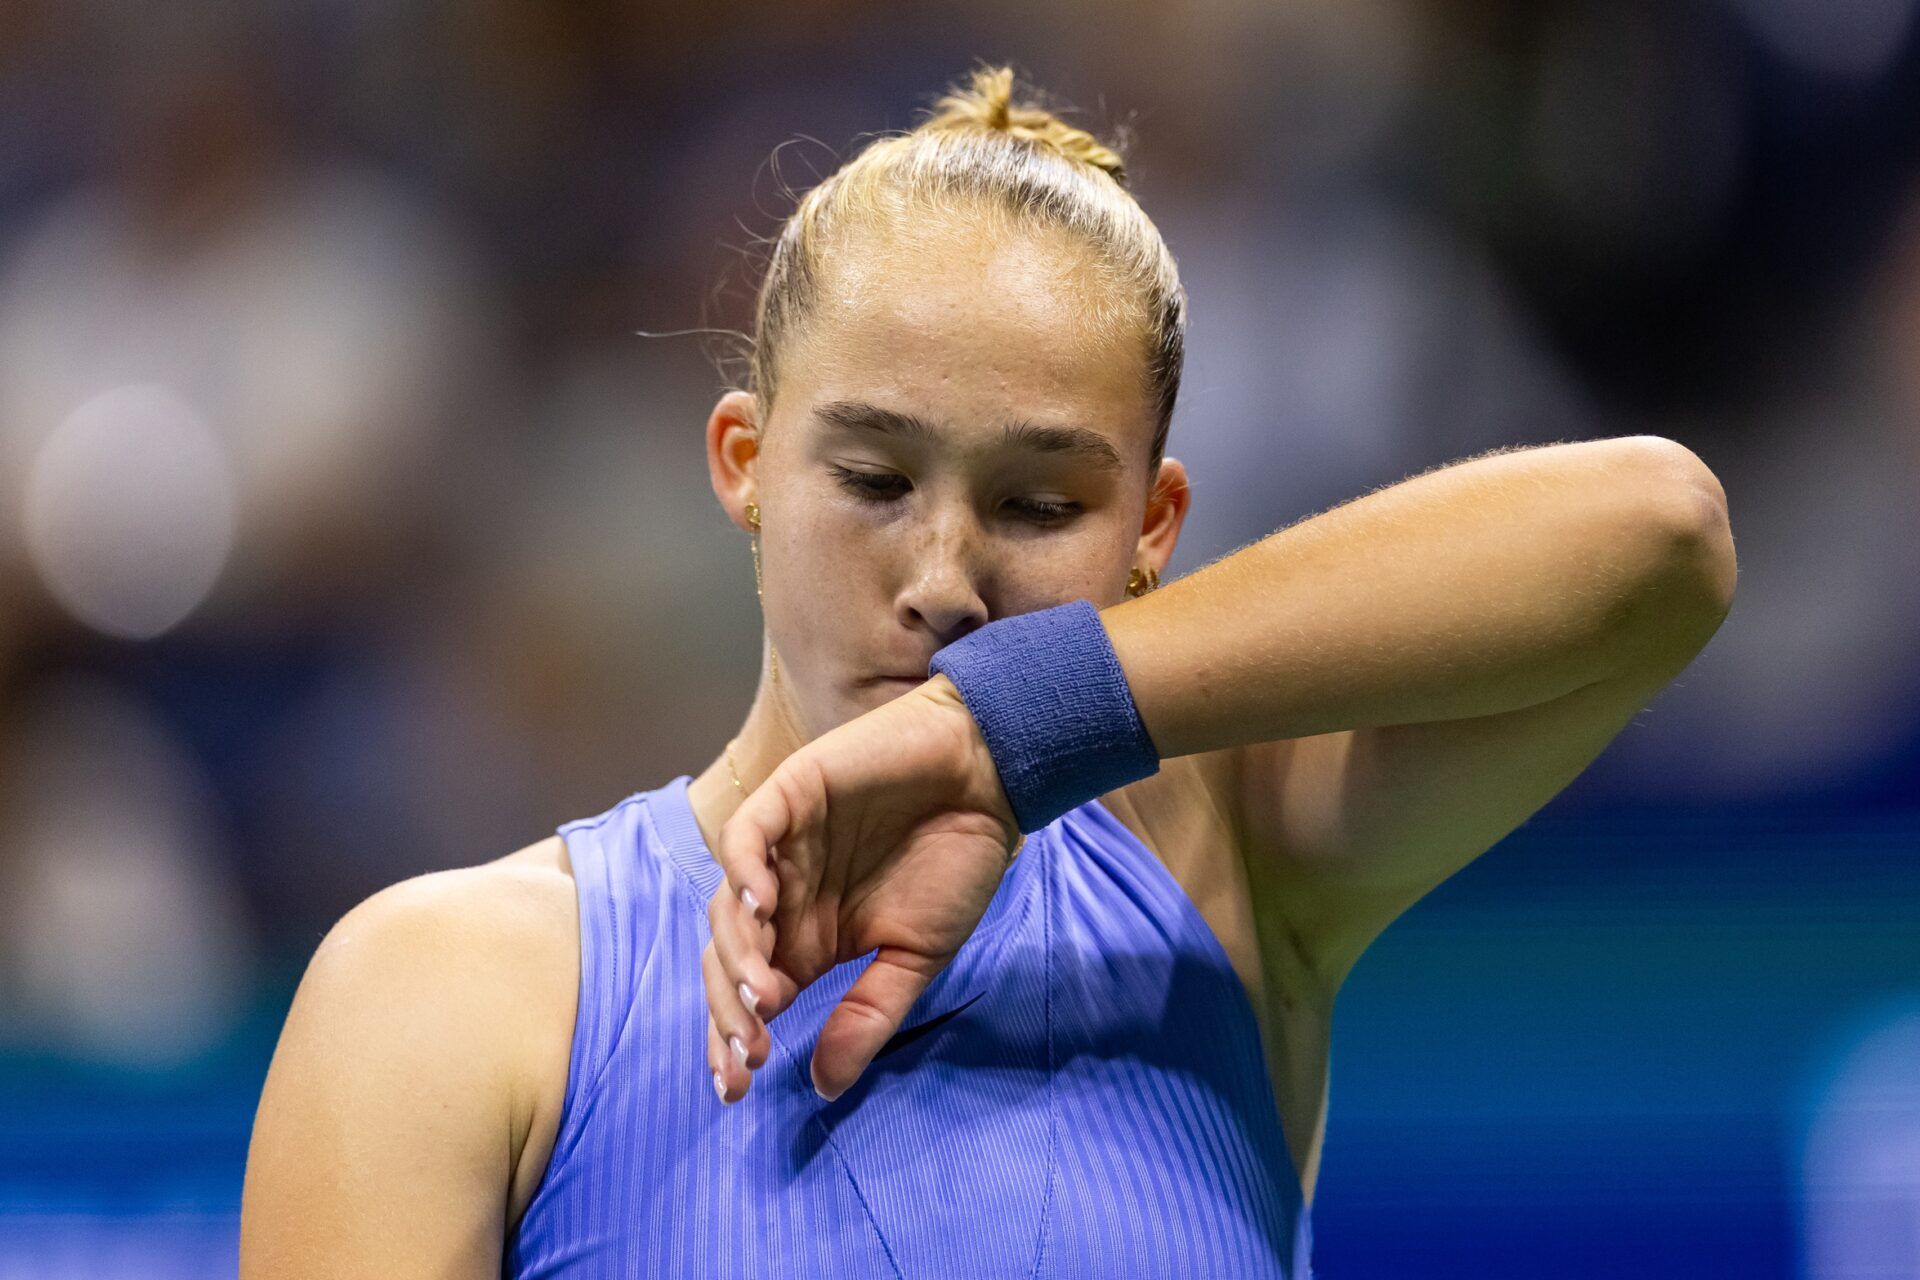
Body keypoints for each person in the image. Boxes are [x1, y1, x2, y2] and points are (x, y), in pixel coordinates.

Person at [238, 64, 1738, 1278]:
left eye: (1039, 506)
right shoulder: (451, 991)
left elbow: (1660, 540)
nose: (946, 578)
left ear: (1152, 534)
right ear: (746, 467)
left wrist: (1017, 725)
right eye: (875, 479)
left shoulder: (1229, 865)